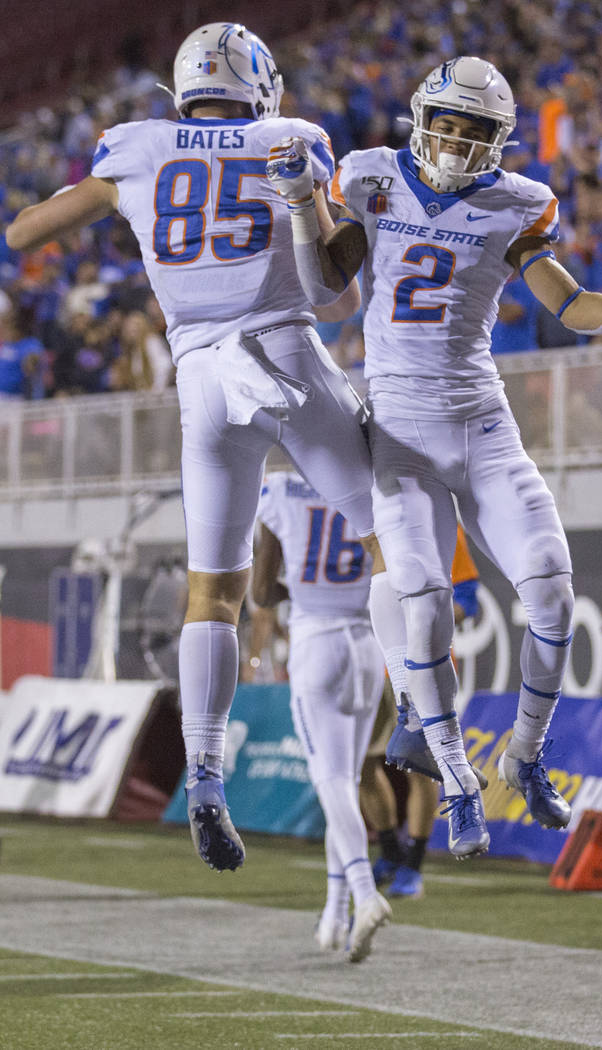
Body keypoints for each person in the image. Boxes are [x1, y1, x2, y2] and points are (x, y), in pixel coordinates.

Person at [266, 56, 602, 832]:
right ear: (422, 118)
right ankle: (455, 782)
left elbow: (568, 302)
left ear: (497, 139)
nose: (454, 139)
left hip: (482, 424)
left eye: (474, 130)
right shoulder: (373, 176)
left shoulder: (517, 204)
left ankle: (524, 755)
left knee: (550, 590)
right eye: (446, 122)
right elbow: (322, 292)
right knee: (422, 607)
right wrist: (305, 205)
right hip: (401, 434)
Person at [6, 22, 386, 875]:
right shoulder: (288, 139)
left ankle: (206, 775)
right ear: (259, 84)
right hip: (282, 352)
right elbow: (336, 289)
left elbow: (26, 234)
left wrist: (112, 197)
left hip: (201, 382)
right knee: (392, 537)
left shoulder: (136, 146)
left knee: (214, 592)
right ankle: (434, 733)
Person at [252, 469, 391, 960]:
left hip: (317, 641)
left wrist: (300, 588)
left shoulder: (282, 488)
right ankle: (335, 913)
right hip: (367, 644)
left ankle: (364, 891)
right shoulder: (372, 485)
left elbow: (261, 591)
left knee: (331, 781)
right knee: (346, 783)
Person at [361, 523, 480, 899]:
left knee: (419, 767)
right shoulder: (358, 515)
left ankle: (413, 864)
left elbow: (468, 598)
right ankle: (390, 851)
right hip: (361, 663)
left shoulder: (437, 519)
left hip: (418, 662)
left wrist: (423, 616)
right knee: (359, 766)